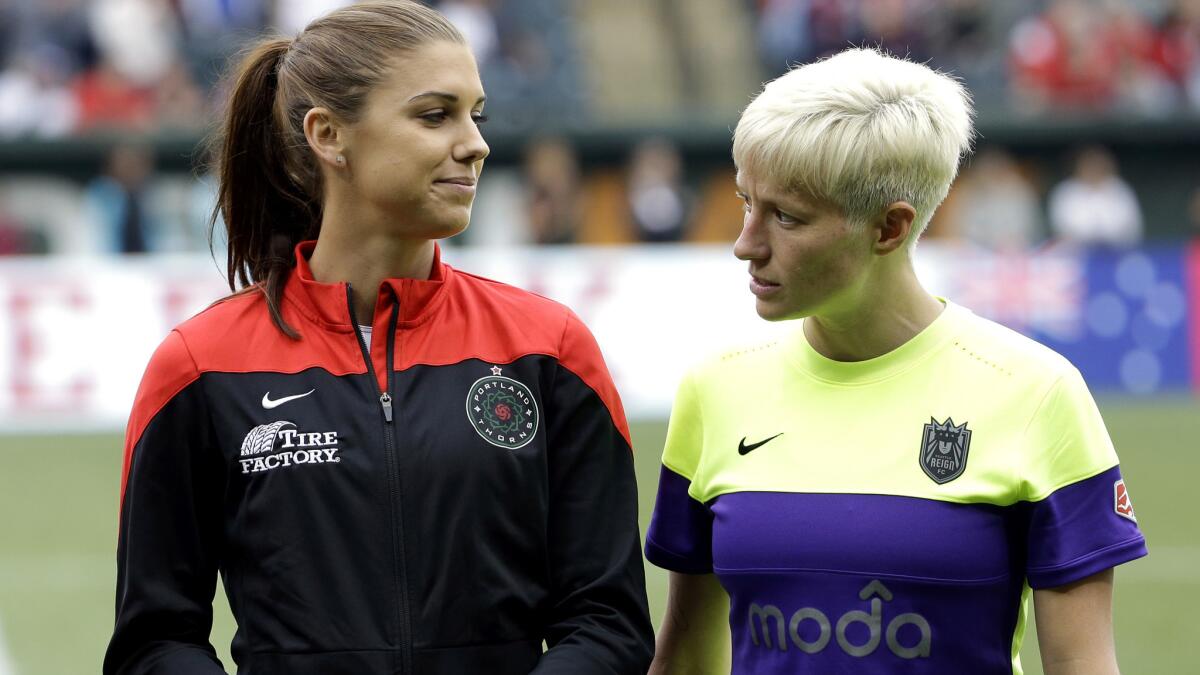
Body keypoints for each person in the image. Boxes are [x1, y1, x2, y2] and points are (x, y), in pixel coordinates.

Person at [103, 3, 653, 674]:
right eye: (434, 115)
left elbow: (609, 623)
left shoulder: (550, 350)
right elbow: (154, 641)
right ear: (330, 135)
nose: (475, 142)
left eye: (476, 114)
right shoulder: (199, 366)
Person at [645, 47, 1146, 675]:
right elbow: (685, 662)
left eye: (786, 217)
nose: (746, 243)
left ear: (889, 228)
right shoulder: (714, 389)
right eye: (747, 202)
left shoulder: (1037, 393)